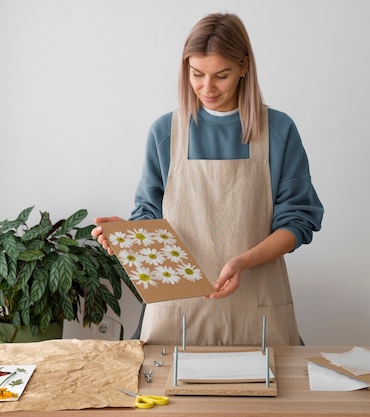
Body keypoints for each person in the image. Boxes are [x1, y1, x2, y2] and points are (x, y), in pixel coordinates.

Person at [92, 12, 323, 346]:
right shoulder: (165, 132)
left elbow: (298, 221)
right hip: (176, 312)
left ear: (244, 66)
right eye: (196, 74)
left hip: (256, 308)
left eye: (221, 75)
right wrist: (128, 237)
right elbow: (149, 215)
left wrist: (243, 261)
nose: (207, 87)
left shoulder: (279, 130)